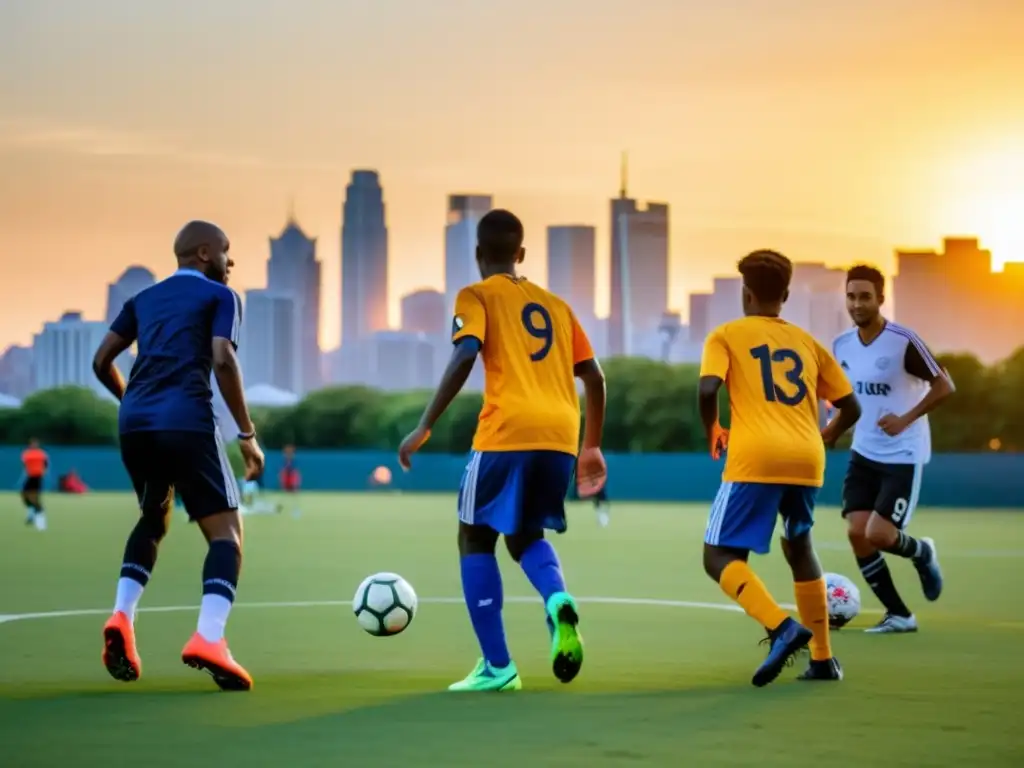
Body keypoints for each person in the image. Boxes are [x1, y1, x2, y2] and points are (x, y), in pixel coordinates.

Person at [398, 209, 607, 693]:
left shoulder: (475, 295)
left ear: (477, 255)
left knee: (473, 537)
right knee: (523, 535)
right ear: (522, 254)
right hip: (559, 435)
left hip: (507, 431)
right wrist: (591, 445)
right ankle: (556, 599)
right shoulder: (557, 305)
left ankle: (498, 666)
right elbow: (594, 377)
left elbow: (466, 351)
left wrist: (424, 424)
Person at [92, 219, 264, 691]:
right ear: (206, 253)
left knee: (152, 519)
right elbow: (223, 357)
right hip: (187, 420)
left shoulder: (142, 300)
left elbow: (101, 360)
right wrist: (247, 434)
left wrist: (133, 403)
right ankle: (209, 637)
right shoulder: (222, 297)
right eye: (228, 253)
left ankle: (122, 617)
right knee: (227, 533)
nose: (232, 263)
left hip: (136, 424)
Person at [698, 249, 861, 686]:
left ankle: (780, 626)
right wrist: (824, 438)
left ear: (745, 293)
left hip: (757, 457)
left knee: (718, 555)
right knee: (799, 545)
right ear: (786, 295)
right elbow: (851, 407)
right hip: (807, 459)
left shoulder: (726, 335)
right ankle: (823, 660)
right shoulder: (809, 343)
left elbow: (708, 387)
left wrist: (713, 426)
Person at [833, 264, 952, 633]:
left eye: (865, 296)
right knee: (856, 533)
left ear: (881, 299)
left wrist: (905, 418)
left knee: (879, 536)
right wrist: (834, 429)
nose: (857, 304)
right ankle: (899, 614)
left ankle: (923, 553)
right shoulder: (841, 345)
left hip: (903, 453)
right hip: (863, 452)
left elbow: (945, 385)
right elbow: (849, 399)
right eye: (851, 296)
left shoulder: (904, 340)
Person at [20, 438, 49, 530]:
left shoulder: (41, 453)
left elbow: (45, 464)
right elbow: (25, 464)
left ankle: (40, 520)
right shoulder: (27, 453)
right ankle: (32, 514)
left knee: (34, 497)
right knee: (25, 495)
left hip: (37, 477)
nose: (34, 445)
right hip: (31, 476)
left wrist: (42, 472)